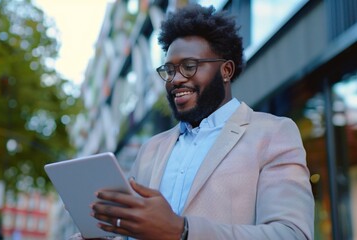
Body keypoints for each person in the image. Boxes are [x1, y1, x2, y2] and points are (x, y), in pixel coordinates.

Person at [73, 3, 314, 240]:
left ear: (226, 71)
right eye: (169, 70)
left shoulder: (273, 134)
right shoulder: (150, 150)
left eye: (189, 67)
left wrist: (182, 231)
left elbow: (290, 233)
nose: (175, 80)